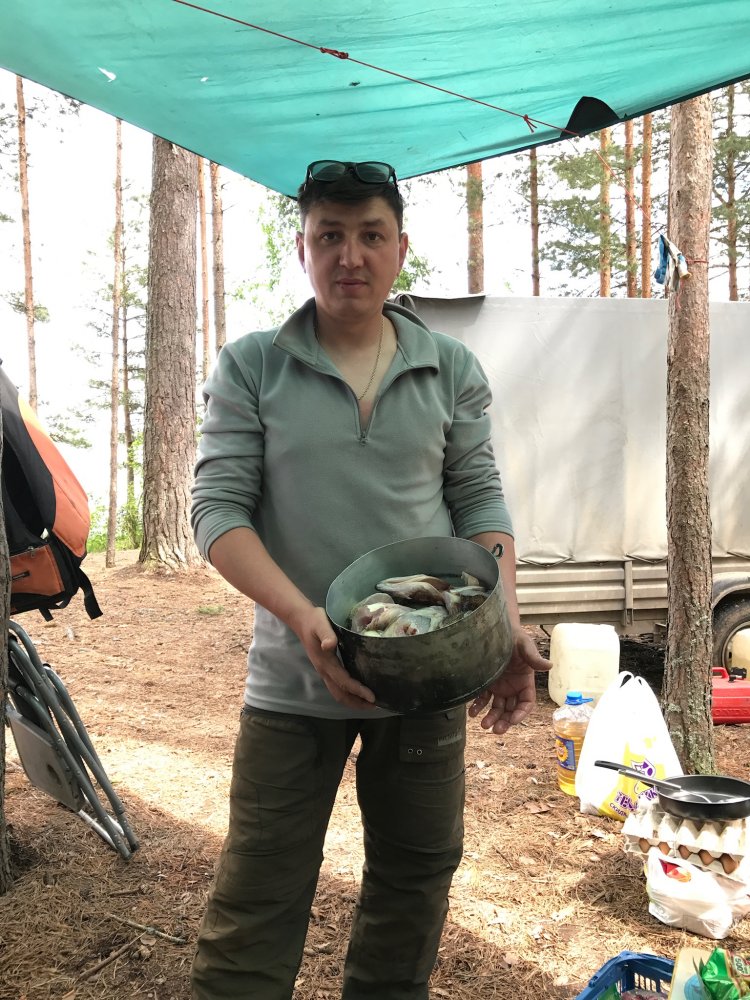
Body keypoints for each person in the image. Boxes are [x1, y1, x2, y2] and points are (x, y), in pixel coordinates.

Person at [189, 159, 551, 1000]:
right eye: (329, 235)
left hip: (425, 685)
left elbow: (480, 501)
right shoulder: (253, 365)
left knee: (414, 883)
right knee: (258, 892)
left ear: (400, 249)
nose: (349, 255)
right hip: (290, 684)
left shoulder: (449, 367)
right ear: (303, 249)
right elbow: (216, 512)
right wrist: (301, 617)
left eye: (370, 235)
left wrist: (501, 629)